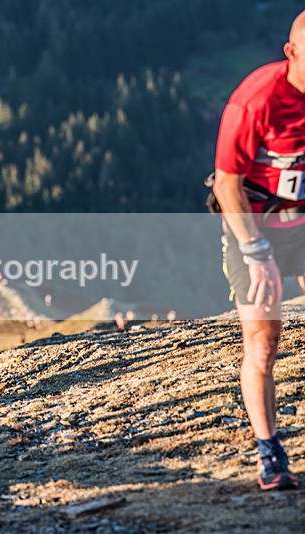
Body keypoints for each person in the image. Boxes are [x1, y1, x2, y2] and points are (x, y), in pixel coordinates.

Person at [211, 10, 305, 491]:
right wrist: (256, 250)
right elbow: (227, 185)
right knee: (264, 341)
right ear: (290, 54)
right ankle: (270, 453)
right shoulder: (257, 100)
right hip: (253, 222)